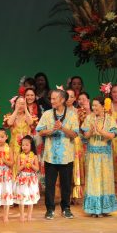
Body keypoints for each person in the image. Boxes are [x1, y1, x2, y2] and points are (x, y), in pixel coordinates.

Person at [36, 89, 79, 220]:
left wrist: (62, 128)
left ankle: (66, 208)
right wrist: (51, 130)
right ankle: (50, 209)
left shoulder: (72, 115)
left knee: (66, 184)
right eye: (51, 98)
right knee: (50, 184)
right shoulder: (47, 114)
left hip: (66, 156)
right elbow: (40, 131)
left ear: (62, 100)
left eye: (54, 99)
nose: (52, 101)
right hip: (51, 155)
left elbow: (75, 134)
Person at [82, 97, 117, 217]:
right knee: (93, 180)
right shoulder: (89, 118)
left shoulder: (110, 119)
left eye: (96, 105)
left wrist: (102, 132)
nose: (94, 108)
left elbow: (113, 135)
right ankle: (94, 209)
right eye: (93, 105)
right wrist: (91, 132)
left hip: (105, 156)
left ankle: (104, 208)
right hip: (92, 155)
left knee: (104, 180)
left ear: (103, 106)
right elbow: (85, 135)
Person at [14, 136, 40, 222]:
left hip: (31, 179)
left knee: (30, 197)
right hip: (22, 178)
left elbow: (37, 169)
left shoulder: (34, 157)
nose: (24, 147)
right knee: (22, 197)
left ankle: (29, 215)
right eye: (23, 145)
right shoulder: (19, 156)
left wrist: (31, 165)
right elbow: (18, 169)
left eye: (26, 145)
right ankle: (22, 215)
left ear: (31, 146)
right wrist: (24, 165)